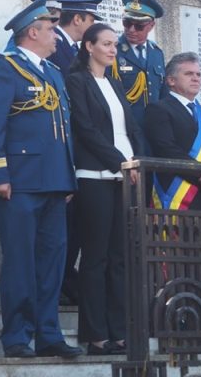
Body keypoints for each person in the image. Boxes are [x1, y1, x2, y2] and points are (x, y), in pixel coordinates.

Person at [0, 0, 82, 359]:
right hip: (19, 181)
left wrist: (68, 179)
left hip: (54, 181)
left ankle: (49, 333)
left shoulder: (53, 72)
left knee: (52, 262)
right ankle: (17, 336)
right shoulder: (5, 67)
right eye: (51, 28)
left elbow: (63, 129)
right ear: (33, 32)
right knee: (20, 260)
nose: (57, 34)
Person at [144, 52, 201, 355]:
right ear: (171, 80)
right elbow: (166, 149)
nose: (196, 78)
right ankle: (174, 328)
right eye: (189, 74)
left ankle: (200, 332)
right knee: (176, 264)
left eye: (198, 73)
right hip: (177, 199)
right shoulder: (159, 109)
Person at [65, 23, 144, 356]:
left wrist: (137, 160)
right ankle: (96, 336)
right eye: (107, 44)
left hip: (124, 177)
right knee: (95, 258)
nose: (113, 49)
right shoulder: (76, 81)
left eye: (115, 45)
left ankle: (119, 331)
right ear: (89, 47)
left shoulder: (114, 82)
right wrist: (119, 161)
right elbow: (84, 128)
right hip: (95, 175)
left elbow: (126, 129)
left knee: (119, 258)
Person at [49, 0, 104, 307]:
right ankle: (59, 282)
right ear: (79, 19)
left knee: (74, 229)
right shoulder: (58, 47)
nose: (92, 28)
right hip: (64, 148)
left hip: (78, 150)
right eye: (90, 21)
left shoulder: (69, 49)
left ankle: (67, 280)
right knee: (64, 228)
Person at [110, 0, 165, 128]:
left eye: (139, 26)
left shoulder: (157, 54)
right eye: (127, 23)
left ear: (151, 26)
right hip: (125, 126)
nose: (131, 30)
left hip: (152, 128)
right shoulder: (113, 51)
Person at [49, 0, 104, 74]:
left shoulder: (74, 47)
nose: (93, 26)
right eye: (91, 21)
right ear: (77, 19)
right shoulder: (52, 43)